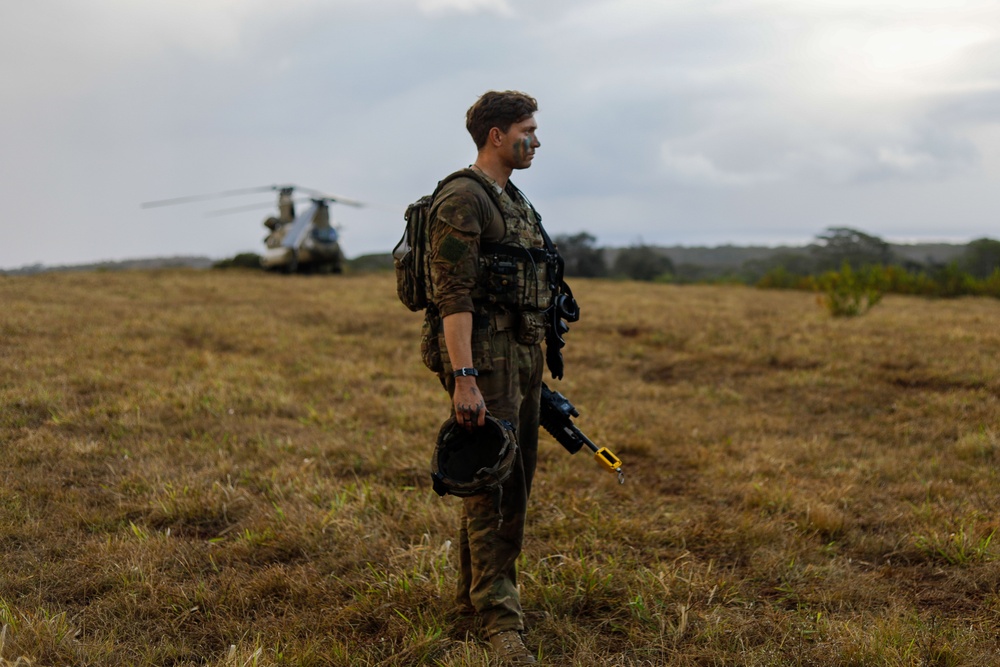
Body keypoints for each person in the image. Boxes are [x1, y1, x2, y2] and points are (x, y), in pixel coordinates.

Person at [425, 90, 549, 665]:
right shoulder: (462, 199)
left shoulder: (513, 199)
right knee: (493, 487)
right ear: (496, 135)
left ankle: (472, 601)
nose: (536, 140)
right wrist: (465, 377)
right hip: (486, 359)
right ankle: (502, 624)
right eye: (527, 129)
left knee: (510, 479)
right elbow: (451, 297)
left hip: (521, 356)